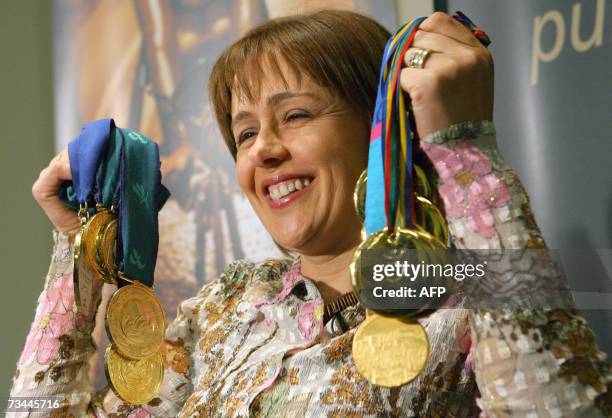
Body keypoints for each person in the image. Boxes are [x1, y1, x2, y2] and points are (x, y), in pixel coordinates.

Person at [11, 9, 610, 418]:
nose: (265, 150)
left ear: (380, 131)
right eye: (245, 134)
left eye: (295, 115)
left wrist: (461, 147)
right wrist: (80, 253)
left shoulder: (467, 286)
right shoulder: (229, 307)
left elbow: (556, 406)